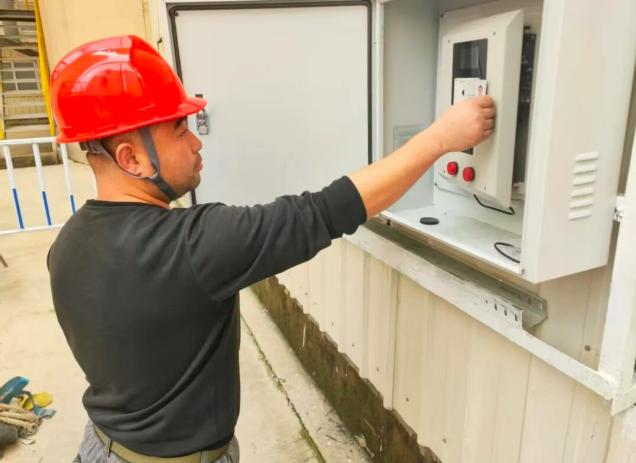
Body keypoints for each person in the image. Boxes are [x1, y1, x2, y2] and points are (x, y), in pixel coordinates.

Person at [47, 35, 494, 463]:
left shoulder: (67, 244)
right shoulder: (192, 246)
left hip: (100, 447)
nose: (197, 142)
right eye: (180, 131)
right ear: (131, 158)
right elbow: (326, 211)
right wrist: (440, 138)